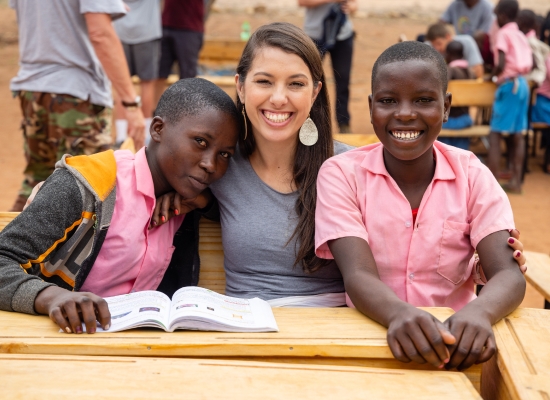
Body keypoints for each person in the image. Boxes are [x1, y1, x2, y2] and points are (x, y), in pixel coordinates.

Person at [152, 23, 526, 308]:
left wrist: (477, 262)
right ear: (241, 86)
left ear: (315, 92)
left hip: (343, 331)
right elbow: (159, 161)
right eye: (264, 81)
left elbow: (413, 229)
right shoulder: (219, 166)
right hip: (247, 330)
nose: (278, 98)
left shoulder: (350, 168)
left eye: (296, 84)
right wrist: (180, 196)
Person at [315, 41, 526, 371]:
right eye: (388, 101)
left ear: (446, 107)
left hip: (456, 343)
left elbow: (508, 274)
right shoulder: (342, 174)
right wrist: (399, 314)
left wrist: (479, 312)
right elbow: (357, 275)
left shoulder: (472, 176)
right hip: (371, 339)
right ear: (371, 108)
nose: (405, 113)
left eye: (424, 100)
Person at [0, 78, 240, 334]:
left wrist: (204, 203)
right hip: (63, 342)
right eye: (200, 142)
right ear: (157, 129)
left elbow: (235, 210)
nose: (211, 164)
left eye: (224, 154)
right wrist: (52, 297)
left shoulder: (187, 195)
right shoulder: (88, 185)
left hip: (138, 348)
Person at [9, 0, 146, 212]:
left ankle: (7, 242)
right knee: (91, 188)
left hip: (32, 90)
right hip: (75, 95)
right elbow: (100, 32)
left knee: (35, 183)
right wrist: (130, 102)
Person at [488, 0, 533, 194]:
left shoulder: (503, 33)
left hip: (509, 85)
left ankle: (491, 185)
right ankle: (515, 182)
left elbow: (501, 63)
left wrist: (492, 76)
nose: (496, 19)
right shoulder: (521, 34)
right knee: (518, 134)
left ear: (503, 16)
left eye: (496, 15)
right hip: (523, 84)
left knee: (495, 134)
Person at [298, 0, 357, 133]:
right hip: (314, 35)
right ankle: (310, 123)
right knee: (310, 81)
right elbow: (302, 2)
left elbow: (354, 4)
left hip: (342, 33)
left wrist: (352, 7)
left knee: (343, 80)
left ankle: (344, 124)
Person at [113, 0, 163, 147]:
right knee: (147, 84)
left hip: (120, 31)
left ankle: (121, 137)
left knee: (120, 85)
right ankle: (147, 135)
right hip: (147, 32)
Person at [439, 41, 476, 150]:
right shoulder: (471, 72)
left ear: (448, 55)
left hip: (447, 122)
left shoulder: (450, 71)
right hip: (465, 120)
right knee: (461, 149)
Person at [158, 0, 204, 82]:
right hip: (166, 25)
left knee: (188, 75)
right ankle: (157, 95)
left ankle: (186, 95)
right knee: (159, 73)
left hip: (189, 29)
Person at [517, 9, 550, 85]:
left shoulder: (530, 41)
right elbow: (546, 50)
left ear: (524, 25)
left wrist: (537, 78)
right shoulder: (528, 39)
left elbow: (538, 64)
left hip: (534, 79)